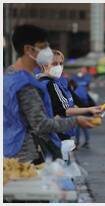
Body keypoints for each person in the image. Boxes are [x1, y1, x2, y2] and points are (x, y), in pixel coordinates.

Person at [4, 25, 95, 163]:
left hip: (9, 146)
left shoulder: (9, 75)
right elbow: (40, 124)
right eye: (43, 47)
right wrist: (76, 120)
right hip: (26, 154)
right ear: (28, 50)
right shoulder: (25, 84)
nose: (47, 52)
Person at [37, 50, 102, 141]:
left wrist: (92, 110)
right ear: (45, 65)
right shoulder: (48, 84)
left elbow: (76, 99)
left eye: (61, 63)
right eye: (55, 64)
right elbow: (64, 110)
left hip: (64, 130)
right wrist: (89, 110)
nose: (59, 67)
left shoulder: (61, 81)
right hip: (55, 134)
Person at [69, 79, 97, 149]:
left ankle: (77, 143)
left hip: (82, 109)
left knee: (78, 126)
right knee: (84, 127)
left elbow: (78, 102)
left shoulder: (76, 92)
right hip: (86, 108)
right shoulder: (81, 89)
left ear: (72, 86)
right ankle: (86, 142)